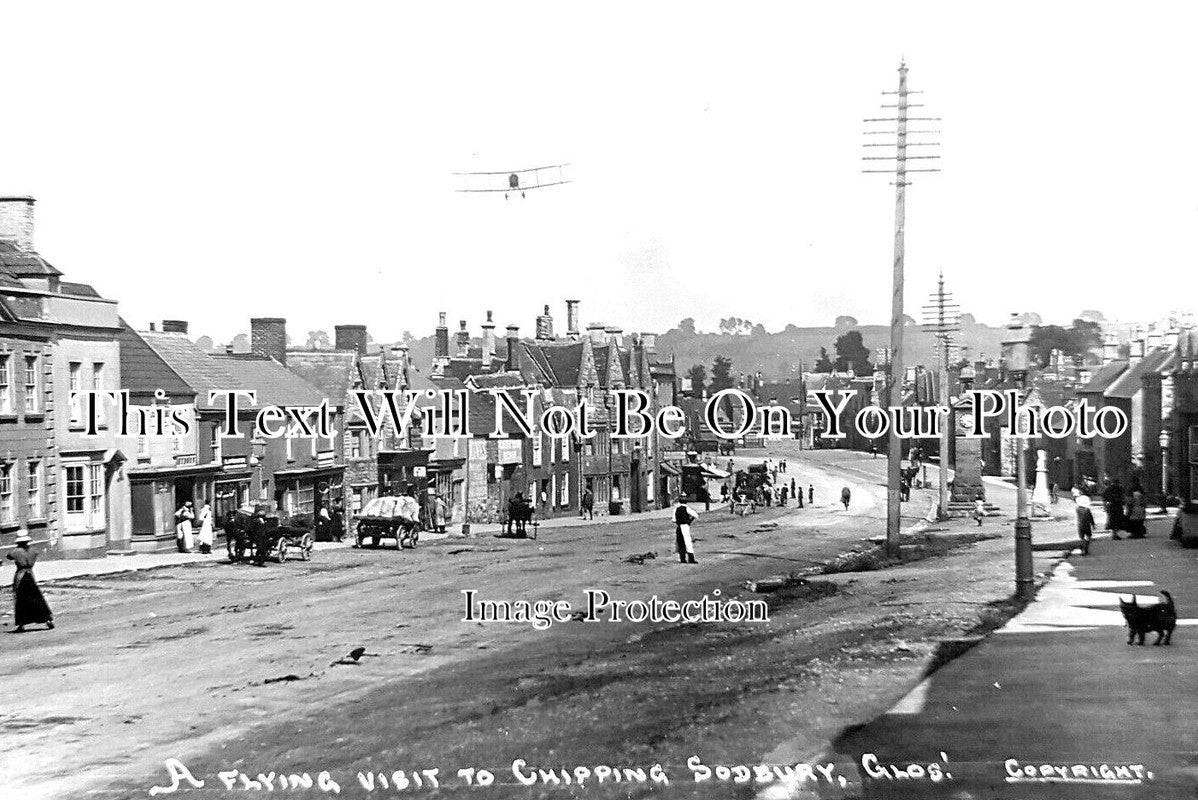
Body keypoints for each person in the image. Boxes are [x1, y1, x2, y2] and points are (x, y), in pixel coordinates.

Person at [7, 532, 53, 632]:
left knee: (21, 600)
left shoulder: (15, 552)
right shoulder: (33, 551)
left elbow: (8, 556)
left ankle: (21, 624)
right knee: (37, 598)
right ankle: (47, 619)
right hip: (31, 575)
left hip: (21, 575)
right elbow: (34, 554)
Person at [673, 496, 698, 564]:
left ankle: (682, 559)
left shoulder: (676, 509)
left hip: (678, 527)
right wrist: (690, 520)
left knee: (680, 542)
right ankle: (691, 559)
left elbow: (674, 520)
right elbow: (696, 515)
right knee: (688, 542)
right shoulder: (687, 508)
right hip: (685, 526)